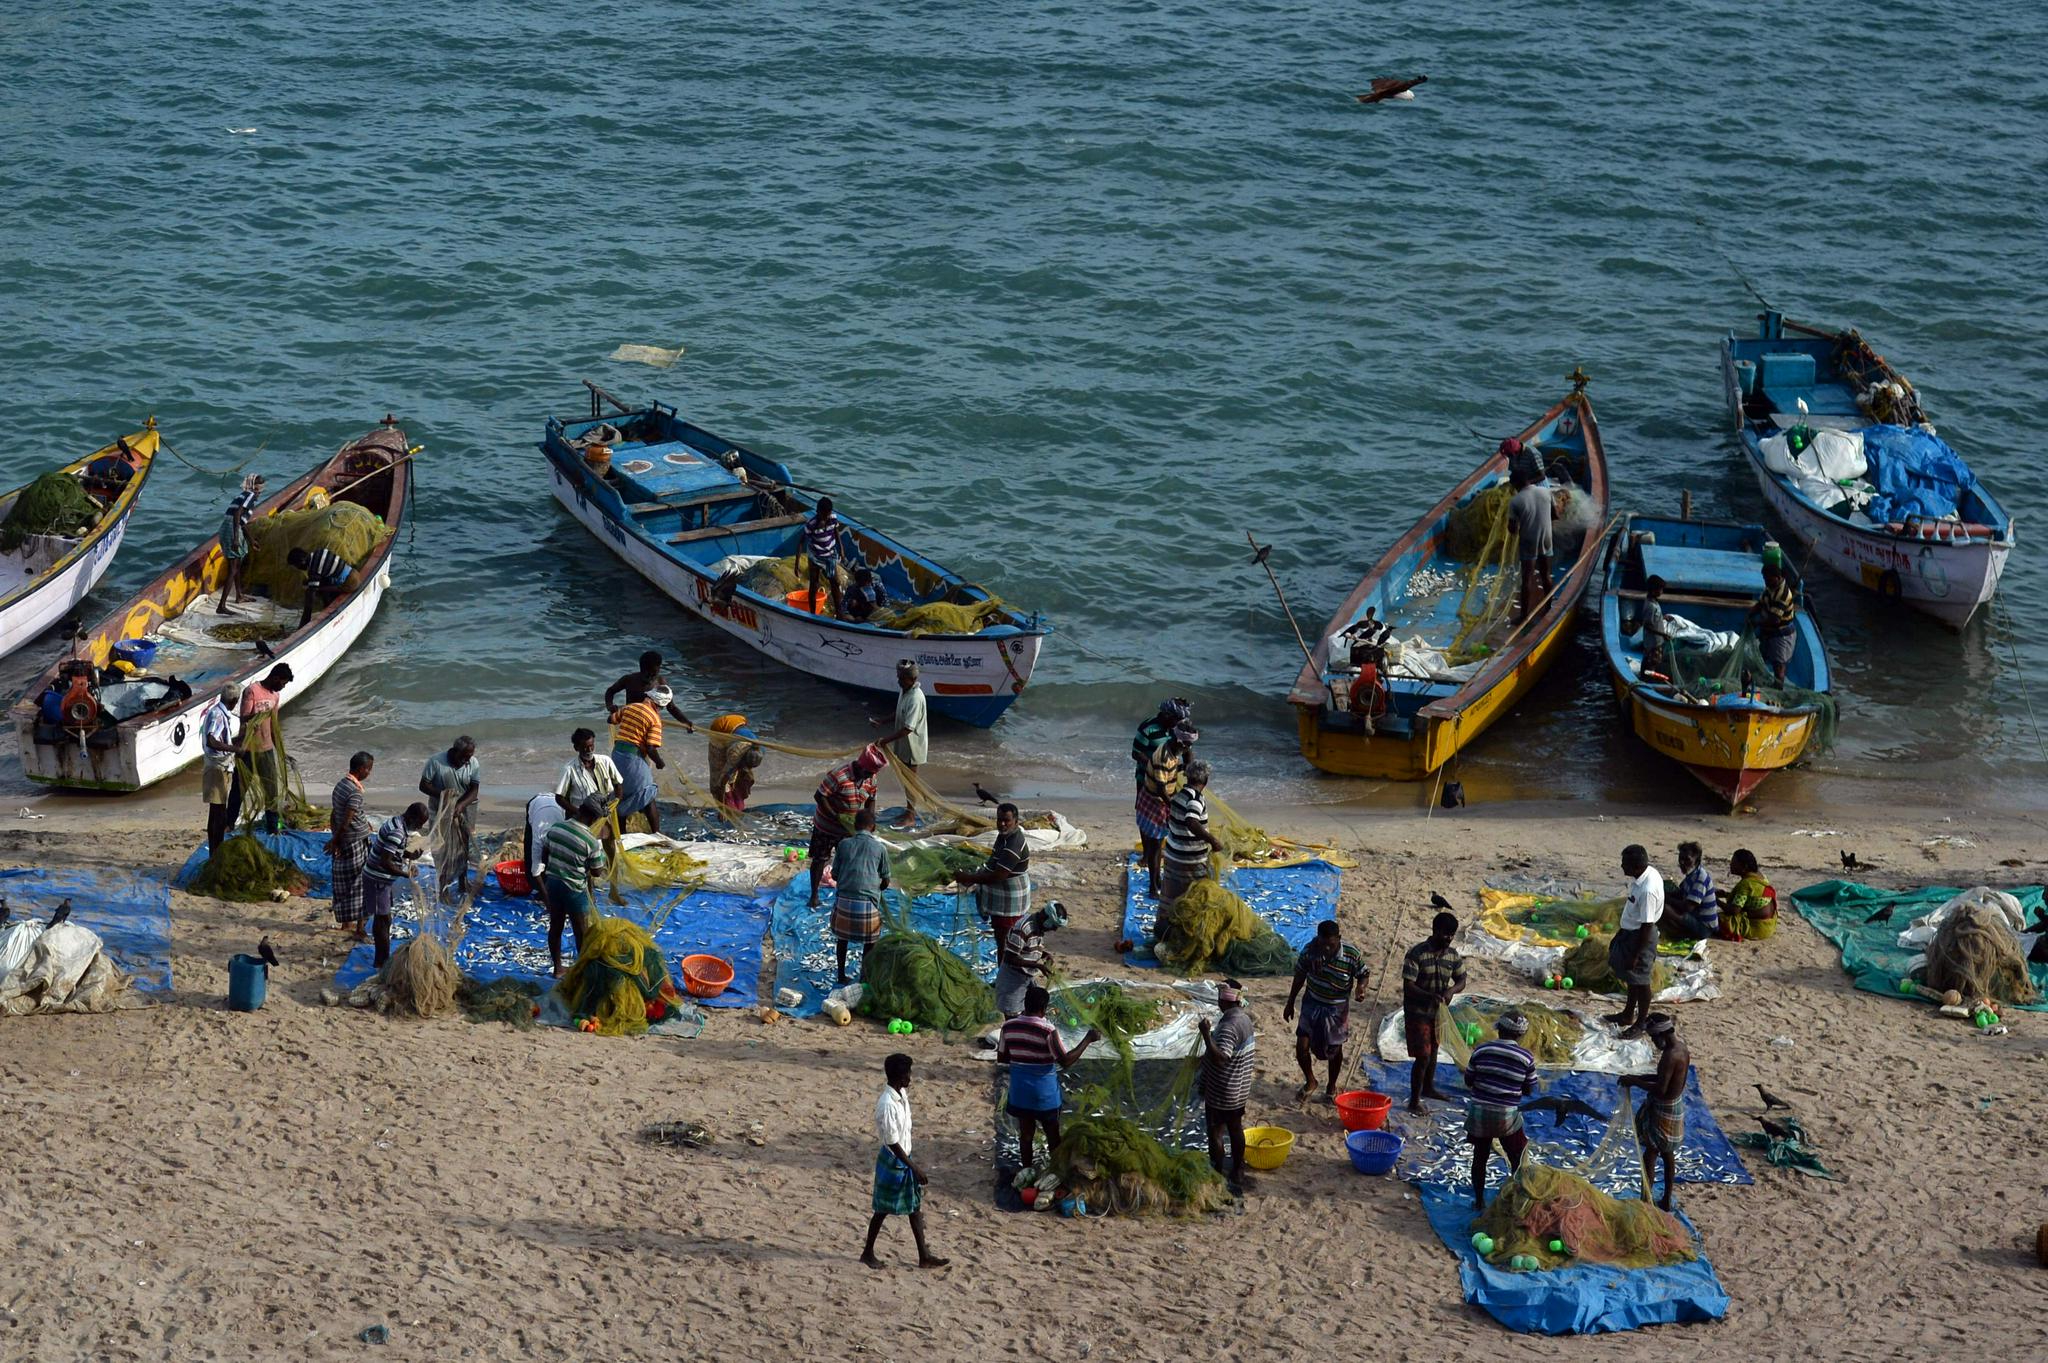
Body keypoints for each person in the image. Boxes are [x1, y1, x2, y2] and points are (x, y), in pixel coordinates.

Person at [861, 1053, 947, 1271]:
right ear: (900, 1076)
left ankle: (924, 1256)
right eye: (908, 1073)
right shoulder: (887, 1104)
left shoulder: (901, 1094)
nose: (911, 1077)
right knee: (882, 1209)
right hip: (895, 1161)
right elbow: (892, 1143)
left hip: (903, 1159)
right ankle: (867, 1252)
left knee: (914, 1207)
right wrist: (914, 1168)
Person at [997, 984, 1099, 1165]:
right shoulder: (1047, 1030)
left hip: (1020, 1092)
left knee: (1026, 1135)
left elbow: (1003, 1058)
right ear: (1044, 1009)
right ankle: (1056, 1171)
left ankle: (1026, 1169)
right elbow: (1066, 1061)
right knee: (1053, 1136)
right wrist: (1088, 1039)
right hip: (1044, 1095)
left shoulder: (1008, 1026)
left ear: (1024, 1004)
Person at [1284, 919, 1369, 1102]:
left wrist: (1360, 988)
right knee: (1302, 1047)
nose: (1327, 949)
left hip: (1336, 1008)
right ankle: (1310, 1080)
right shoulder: (1309, 952)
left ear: (1338, 938)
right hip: (1312, 1001)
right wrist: (1290, 1002)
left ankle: (1331, 1085)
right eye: (1323, 945)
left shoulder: (1351, 954)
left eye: (1331, 945)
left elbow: (1363, 974)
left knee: (1334, 1049)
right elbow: (1299, 976)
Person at [1466, 1012, 1537, 1209]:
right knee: (1517, 1156)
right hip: (1506, 1116)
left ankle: (1479, 1200)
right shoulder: (1526, 1057)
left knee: (1480, 1157)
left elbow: (1469, 1080)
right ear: (1520, 1035)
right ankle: (1515, 1199)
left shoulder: (1482, 1050)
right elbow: (1529, 1088)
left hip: (1479, 1113)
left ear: (1500, 1030)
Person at [1619, 1013, 1689, 1211]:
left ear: (1661, 1035)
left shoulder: (1669, 1056)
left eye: (1653, 1038)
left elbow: (1660, 1089)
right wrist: (1638, 1077)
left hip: (1663, 1110)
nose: (1653, 1042)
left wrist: (1634, 1082)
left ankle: (1646, 1199)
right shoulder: (1682, 1049)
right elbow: (1661, 1079)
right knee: (1668, 1154)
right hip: (1676, 1105)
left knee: (1650, 1153)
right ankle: (1666, 1198)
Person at [1402, 911, 1467, 1112]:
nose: (1448, 939)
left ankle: (1428, 1088)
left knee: (1434, 1050)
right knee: (1423, 1056)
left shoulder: (1452, 955)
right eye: (1445, 934)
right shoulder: (1417, 954)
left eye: (1451, 935)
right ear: (1435, 931)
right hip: (1418, 1011)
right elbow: (1408, 985)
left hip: (1438, 1013)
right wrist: (1429, 996)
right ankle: (1414, 1101)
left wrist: (1450, 991)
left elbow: (1461, 980)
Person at [808, 744, 887, 907]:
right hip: (826, 826)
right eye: (868, 772)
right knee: (820, 859)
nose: (870, 776)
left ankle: (845, 893)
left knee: (848, 860)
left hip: (849, 828)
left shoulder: (871, 778)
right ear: (861, 766)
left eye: (872, 773)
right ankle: (814, 895)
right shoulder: (839, 775)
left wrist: (870, 820)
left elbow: (871, 800)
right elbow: (820, 796)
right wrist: (835, 816)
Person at [1198, 980, 1257, 1192]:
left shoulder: (1228, 1027)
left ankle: (1218, 1170)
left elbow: (1221, 1058)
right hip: (1239, 1090)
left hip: (1222, 1090)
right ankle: (1238, 1169)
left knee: (1215, 1131)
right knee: (1235, 1128)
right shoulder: (1245, 1020)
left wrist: (1206, 1035)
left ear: (1224, 1000)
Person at [541, 799, 607, 976]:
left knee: (556, 926)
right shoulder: (591, 842)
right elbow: (597, 872)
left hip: (552, 885)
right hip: (574, 890)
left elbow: (544, 855)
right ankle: (583, 973)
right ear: (593, 818)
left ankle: (557, 968)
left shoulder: (556, 828)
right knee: (581, 932)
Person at [952, 801, 1030, 946]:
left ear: (1016, 821)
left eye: (1006, 820)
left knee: (1006, 943)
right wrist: (974, 876)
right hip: (1001, 900)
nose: (1002, 824)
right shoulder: (1003, 837)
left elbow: (998, 875)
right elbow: (993, 863)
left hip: (1010, 903)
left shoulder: (1014, 844)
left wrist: (969, 878)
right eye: (999, 820)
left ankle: (1004, 968)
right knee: (1001, 937)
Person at [1607, 844, 1664, 1039]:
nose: (1622, 867)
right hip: (1632, 932)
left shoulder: (1647, 890)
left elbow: (1647, 926)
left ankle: (1641, 1023)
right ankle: (1628, 1014)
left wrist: (1636, 954)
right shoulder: (1647, 875)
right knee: (1632, 978)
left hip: (1641, 937)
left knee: (1641, 980)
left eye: (1625, 864)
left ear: (1635, 866)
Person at [363, 802, 429, 968]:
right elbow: (386, 861)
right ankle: (381, 962)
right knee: (382, 920)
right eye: (420, 823)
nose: (420, 827)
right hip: (377, 878)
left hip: (382, 878)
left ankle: (382, 957)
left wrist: (412, 855)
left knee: (385, 918)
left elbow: (396, 851)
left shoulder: (397, 821)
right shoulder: (397, 832)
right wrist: (405, 874)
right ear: (412, 817)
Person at [830, 806, 891, 985]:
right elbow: (886, 880)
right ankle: (864, 976)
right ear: (873, 828)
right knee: (870, 943)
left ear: (855, 826)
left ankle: (841, 974)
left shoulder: (843, 844)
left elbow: (834, 875)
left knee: (842, 940)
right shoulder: (880, 848)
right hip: (867, 910)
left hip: (844, 906)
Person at [1136, 722, 1196, 899]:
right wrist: (1174, 805)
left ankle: (1156, 881)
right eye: (1187, 746)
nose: (1188, 749)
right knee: (1156, 848)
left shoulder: (1171, 750)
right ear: (1179, 742)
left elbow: (1182, 763)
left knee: (1158, 846)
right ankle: (1153, 887)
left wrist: (1184, 765)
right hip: (1155, 803)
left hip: (1157, 799)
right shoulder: (1163, 757)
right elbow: (1162, 789)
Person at [418, 736, 481, 899]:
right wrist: (443, 797)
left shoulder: (473, 763)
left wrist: (460, 805)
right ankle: (443, 888)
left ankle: (462, 880)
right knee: (441, 847)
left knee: (463, 844)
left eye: (470, 756)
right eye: (464, 756)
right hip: (440, 808)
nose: (467, 760)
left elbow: (474, 790)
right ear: (454, 751)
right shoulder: (436, 762)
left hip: (465, 807)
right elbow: (423, 785)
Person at [1160, 758, 1224, 908]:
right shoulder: (1196, 798)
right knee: (1192, 898)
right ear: (1205, 780)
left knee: (1171, 894)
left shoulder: (1178, 795)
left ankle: (1164, 925)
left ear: (1187, 777)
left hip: (1172, 855)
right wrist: (1212, 841)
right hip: (1189, 860)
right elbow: (1191, 821)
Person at [872, 660, 927, 829]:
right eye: (899, 677)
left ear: (912, 679)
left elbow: (907, 729)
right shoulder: (905, 691)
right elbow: (899, 713)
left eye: (902, 679)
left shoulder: (916, 698)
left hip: (913, 746)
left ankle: (910, 815)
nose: (899, 681)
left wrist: (885, 741)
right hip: (903, 745)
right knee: (905, 781)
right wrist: (881, 721)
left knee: (911, 782)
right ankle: (909, 810)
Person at [327, 751, 375, 943]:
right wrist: (335, 840)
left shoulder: (341, 785)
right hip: (355, 842)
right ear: (361, 769)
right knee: (362, 884)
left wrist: (335, 837)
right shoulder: (355, 792)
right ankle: (360, 929)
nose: (369, 773)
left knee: (343, 883)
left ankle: (346, 923)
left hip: (345, 839)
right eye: (369, 769)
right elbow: (347, 820)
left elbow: (335, 814)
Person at [239, 665, 293, 833]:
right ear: (275, 678)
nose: (282, 687)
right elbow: (243, 719)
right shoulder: (251, 691)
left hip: (267, 750)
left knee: (272, 792)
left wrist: (281, 753)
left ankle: (273, 828)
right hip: (248, 750)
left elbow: (274, 727)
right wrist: (258, 716)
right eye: (282, 683)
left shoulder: (275, 696)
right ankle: (228, 824)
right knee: (239, 790)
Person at [995, 902, 1068, 1017]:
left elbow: (1028, 948)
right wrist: (1038, 966)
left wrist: (1044, 955)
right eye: (1053, 926)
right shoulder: (1023, 928)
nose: (1054, 930)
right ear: (1046, 918)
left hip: (1027, 977)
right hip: (1012, 979)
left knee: (1031, 1010)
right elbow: (1010, 958)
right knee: (1013, 1017)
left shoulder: (1039, 927)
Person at [610, 685, 665, 835]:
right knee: (647, 793)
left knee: (621, 794)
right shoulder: (655, 719)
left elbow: (611, 719)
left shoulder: (630, 707)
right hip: (632, 759)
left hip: (616, 756)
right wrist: (660, 762)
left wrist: (615, 710)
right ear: (660, 705)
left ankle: (621, 836)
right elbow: (651, 747)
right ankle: (656, 833)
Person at [603, 651, 697, 734]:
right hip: (630, 723)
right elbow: (610, 691)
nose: (650, 676)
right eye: (647, 673)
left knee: (648, 748)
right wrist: (609, 706)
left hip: (649, 725)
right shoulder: (629, 679)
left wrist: (686, 722)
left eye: (653, 673)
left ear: (659, 669)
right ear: (641, 668)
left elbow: (671, 707)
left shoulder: (660, 682)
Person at [201, 682, 244, 854]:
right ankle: (215, 850)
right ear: (234, 700)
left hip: (221, 767)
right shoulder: (217, 715)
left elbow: (219, 739)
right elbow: (212, 740)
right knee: (217, 813)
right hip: (216, 768)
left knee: (218, 812)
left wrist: (234, 743)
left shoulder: (220, 713)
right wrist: (235, 749)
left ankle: (216, 848)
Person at [1508, 467, 1554, 625]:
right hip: (1547, 538)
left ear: (1516, 484)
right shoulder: (1545, 492)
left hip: (1528, 540)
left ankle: (1524, 616)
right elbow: (1555, 515)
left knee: (1527, 577)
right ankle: (1549, 608)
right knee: (1546, 574)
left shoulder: (1516, 501)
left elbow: (1512, 529)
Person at [216, 474, 264, 614]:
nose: (259, 492)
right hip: (231, 529)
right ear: (252, 487)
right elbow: (237, 515)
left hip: (230, 527)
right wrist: (236, 538)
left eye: (261, 489)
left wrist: (251, 540)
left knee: (236, 564)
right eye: (258, 489)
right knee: (233, 568)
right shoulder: (250, 495)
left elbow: (242, 522)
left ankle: (239, 596)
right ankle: (221, 606)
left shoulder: (245, 495)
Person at [1750, 564, 1798, 685]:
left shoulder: (1783, 594)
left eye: (1768, 579)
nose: (1766, 582)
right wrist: (1750, 614)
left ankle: (1778, 692)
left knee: (1779, 666)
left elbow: (1774, 619)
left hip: (1781, 635)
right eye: (1765, 579)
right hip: (1768, 632)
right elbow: (1760, 603)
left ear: (1778, 577)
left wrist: (1756, 623)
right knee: (1761, 659)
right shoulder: (1770, 588)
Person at [707, 714, 763, 813]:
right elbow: (722, 781)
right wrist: (723, 806)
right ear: (742, 759)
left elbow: (746, 766)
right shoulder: (735, 755)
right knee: (717, 780)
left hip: (737, 724)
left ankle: (737, 800)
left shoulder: (760, 750)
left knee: (742, 777)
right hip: (719, 731)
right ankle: (729, 806)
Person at [285, 544, 353, 626]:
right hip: (352, 573)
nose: (298, 568)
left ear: (302, 561)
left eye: (296, 566)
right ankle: (327, 605)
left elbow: (311, 596)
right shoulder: (319, 552)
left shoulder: (313, 569)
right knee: (316, 585)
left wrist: (303, 625)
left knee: (314, 590)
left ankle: (328, 610)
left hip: (349, 584)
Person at [1720, 848, 1778, 941]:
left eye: (1734, 863)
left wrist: (1715, 900)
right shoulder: (1760, 877)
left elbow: (1734, 911)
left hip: (1757, 928)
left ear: (1744, 867)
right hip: (1770, 925)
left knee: (1717, 919)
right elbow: (1750, 897)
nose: (1730, 865)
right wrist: (1725, 894)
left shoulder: (1746, 884)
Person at [1666, 840, 1719, 941]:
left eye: (1687, 859)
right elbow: (1680, 892)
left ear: (1697, 860)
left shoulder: (1700, 878)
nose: (1682, 863)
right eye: (1680, 859)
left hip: (1704, 928)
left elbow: (1688, 907)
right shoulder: (1692, 874)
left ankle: (1679, 933)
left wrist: (1666, 899)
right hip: (1696, 918)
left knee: (1664, 908)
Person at [1623, 575, 1671, 677]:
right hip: (1653, 642)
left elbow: (1654, 619)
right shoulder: (1650, 606)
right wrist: (1663, 634)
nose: (1662, 591)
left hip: (1656, 641)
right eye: (1660, 589)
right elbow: (1648, 626)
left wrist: (1663, 618)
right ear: (1654, 591)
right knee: (1652, 662)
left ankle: (1645, 676)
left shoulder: (1654, 602)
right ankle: (1646, 679)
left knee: (1651, 661)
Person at [805, 496, 844, 617]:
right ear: (817, 512)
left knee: (835, 583)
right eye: (823, 515)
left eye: (827, 514)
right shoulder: (811, 524)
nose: (825, 517)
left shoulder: (833, 519)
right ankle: (812, 614)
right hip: (815, 556)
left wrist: (842, 550)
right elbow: (802, 541)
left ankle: (839, 613)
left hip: (830, 554)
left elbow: (837, 534)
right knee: (814, 584)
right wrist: (796, 564)